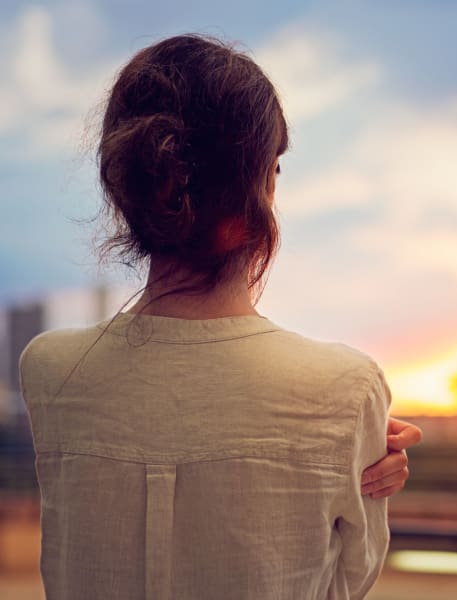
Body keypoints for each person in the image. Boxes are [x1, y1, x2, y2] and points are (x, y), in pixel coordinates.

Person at [19, 34, 422, 600]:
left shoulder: (49, 370)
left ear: (128, 185)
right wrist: (352, 451)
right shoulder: (348, 388)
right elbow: (341, 585)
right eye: (274, 166)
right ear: (260, 184)